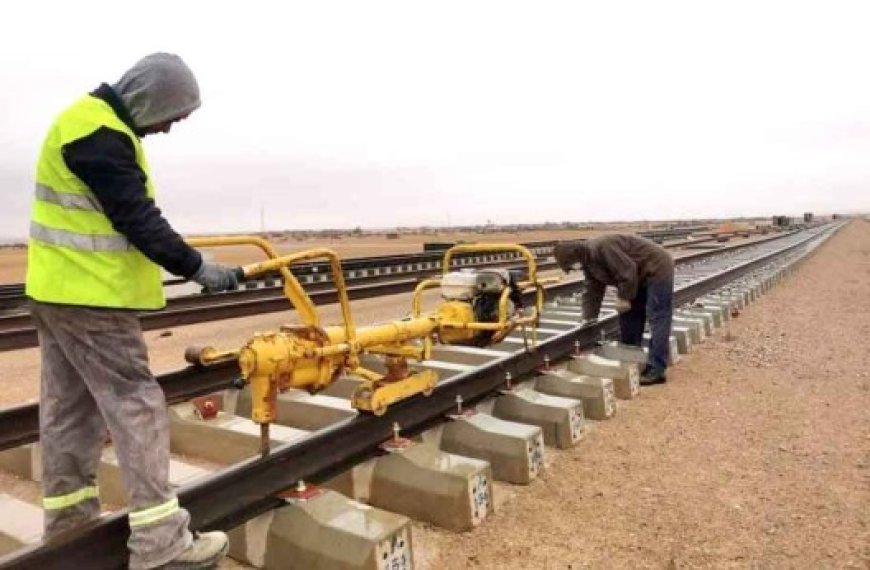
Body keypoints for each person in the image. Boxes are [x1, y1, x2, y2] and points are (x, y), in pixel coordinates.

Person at [25, 53, 238, 569]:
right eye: (172, 116)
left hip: (57, 293)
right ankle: (161, 545)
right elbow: (136, 218)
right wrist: (197, 267)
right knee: (137, 402)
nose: (167, 129)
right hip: (92, 298)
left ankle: (70, 530)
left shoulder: (84, 123)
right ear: (151, 99)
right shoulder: (101, 134)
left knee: (68, 411)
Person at [553, 234, 674, 385]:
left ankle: (657, 369)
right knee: (629, 314)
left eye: (571, 266)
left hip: (657, 267)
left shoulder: (603, 248)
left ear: (575, 257)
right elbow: (593, 290)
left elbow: (627, 271)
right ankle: (632, 359)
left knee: (657, 315)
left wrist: (623, 297)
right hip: (637, 276)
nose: (573, 269)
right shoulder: (588, 261)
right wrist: (588, 317)